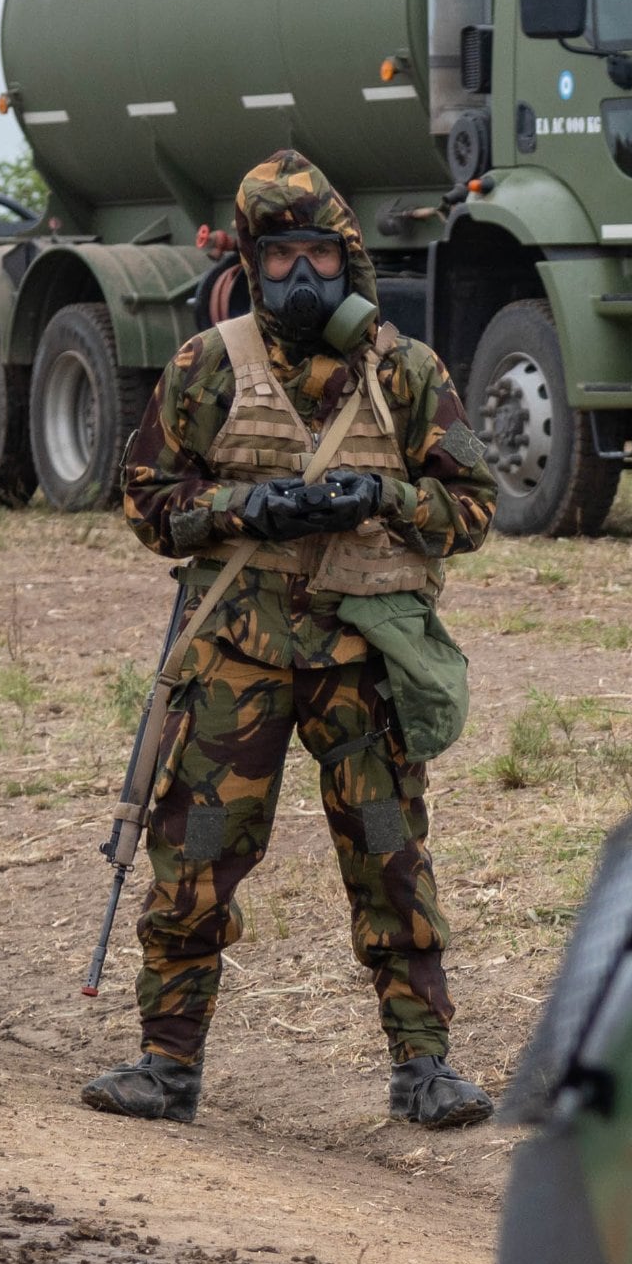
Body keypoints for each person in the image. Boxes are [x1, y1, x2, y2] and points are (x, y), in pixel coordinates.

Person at [89, 150, 501, 1132]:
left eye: (320, 256)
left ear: (349, 259)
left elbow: (476, 505)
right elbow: (145, 500)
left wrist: (388, 496)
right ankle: (166, 1065)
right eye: (281, 262)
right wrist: (240, 508)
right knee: (192, 857)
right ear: (249, 263)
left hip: (361, 657)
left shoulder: (401, 370)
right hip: (236, 651)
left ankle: (425, 1068)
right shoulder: (206, 367)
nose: (303, 280)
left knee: (390, 859)